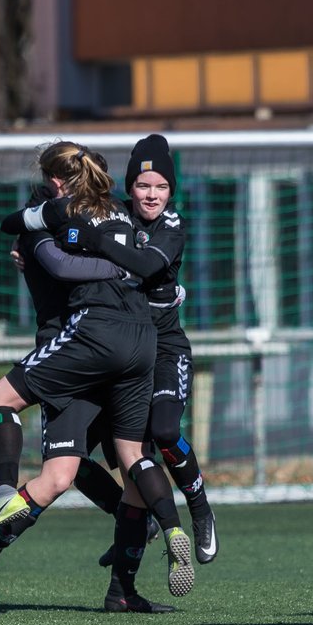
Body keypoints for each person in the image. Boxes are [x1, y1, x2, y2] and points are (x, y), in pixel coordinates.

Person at [0, 140, 194, 613]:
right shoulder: (47, 213)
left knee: (121, 466)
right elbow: (60, 264)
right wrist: (126, 268)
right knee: (63, 474)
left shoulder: (114, 214)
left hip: (115, 344)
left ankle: (123, 589)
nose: (149, 194)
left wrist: (151, 278)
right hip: (75, 344)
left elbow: (146, 258)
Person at [69, 135, 218, 566]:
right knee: (68, 456)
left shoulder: (172, 225)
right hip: (116, 350)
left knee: (165, 432)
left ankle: (200, 510)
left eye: (161, 187)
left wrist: (96, 244)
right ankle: (135, 518)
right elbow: (63, 226)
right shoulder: (111, 214)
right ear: (129, 187)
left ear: (171, 191)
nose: (151, 195)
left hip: (164, 348)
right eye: (143, 185)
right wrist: (28, 248)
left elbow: (150, 264)